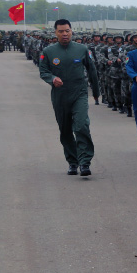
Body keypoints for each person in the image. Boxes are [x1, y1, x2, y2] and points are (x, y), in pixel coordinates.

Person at [38, 19, 99, 176]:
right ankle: (73, 161)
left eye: (67, 31)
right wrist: (52, 79)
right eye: (61, 31)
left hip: (79, 93)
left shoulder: (82, 49)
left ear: (71, 31)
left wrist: (97, 92)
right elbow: (43, 71)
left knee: (81, 126)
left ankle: (85, 162)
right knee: (65, 130)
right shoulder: (49, 52)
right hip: (60, 95)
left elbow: (92, 70)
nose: (65, 34)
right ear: (55, 33)